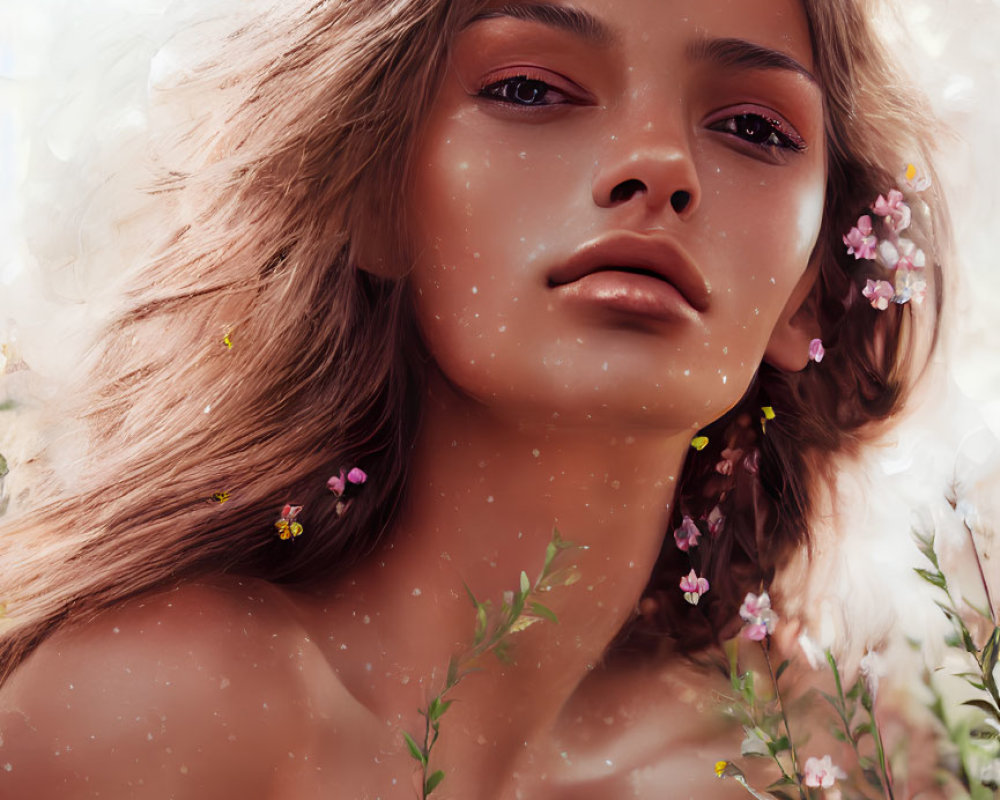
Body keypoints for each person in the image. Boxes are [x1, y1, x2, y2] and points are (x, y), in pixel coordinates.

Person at [0, 0, 948, 796]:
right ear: (372, 195)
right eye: (529, 89)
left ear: (814, 290)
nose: (660, 164)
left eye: (753, 128)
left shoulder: (822, 761)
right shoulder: (153, 708)